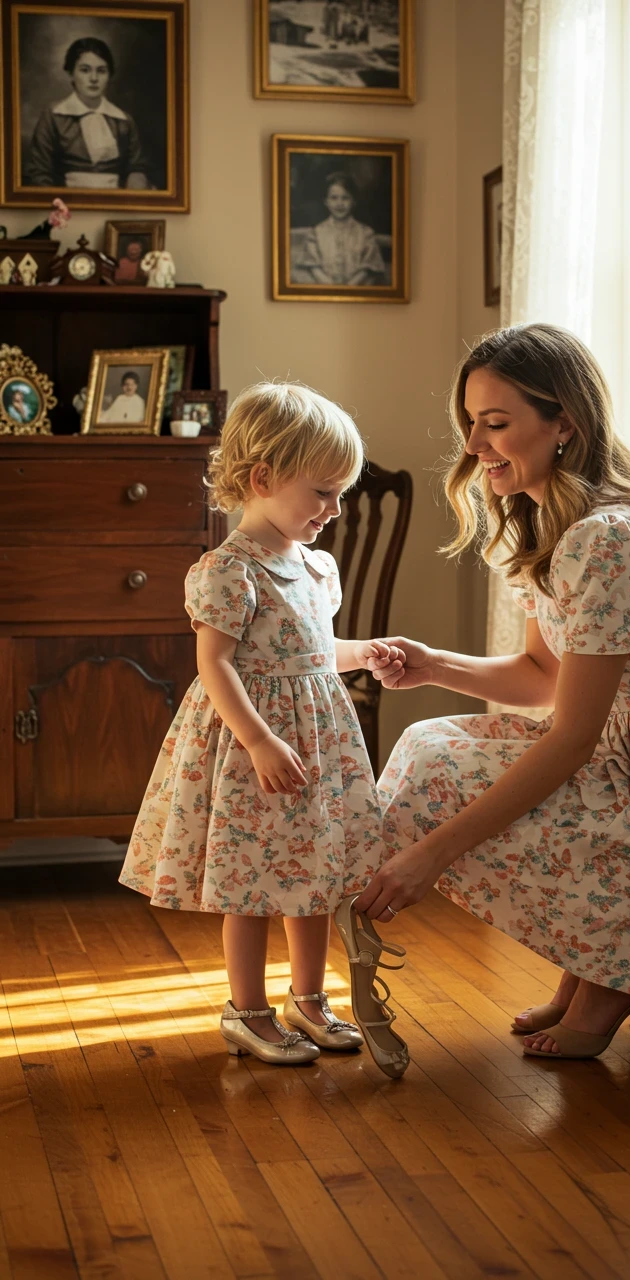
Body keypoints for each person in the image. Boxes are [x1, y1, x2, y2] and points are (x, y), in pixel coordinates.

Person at [357, 323, 630, 1061]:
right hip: (627, 743)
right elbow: (541, 676)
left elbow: (571, 735)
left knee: (444, 772)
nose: (474, 446)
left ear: (565, 422)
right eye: (470, 424)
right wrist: (434, 664)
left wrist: (430, 854)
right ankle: (594, 968)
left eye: (496, 425)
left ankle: (611, 978)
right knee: (430, 741)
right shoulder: (553, 525)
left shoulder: (606, 540)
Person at [119, 382, 406, 1065]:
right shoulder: (229, 571)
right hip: (255, 750)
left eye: (342, 494)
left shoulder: (315, 568)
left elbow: (308, 654)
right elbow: (215, 664)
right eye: (323, 493)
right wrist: (257, 739)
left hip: (313, 746)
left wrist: (361, 652)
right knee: (249, 886)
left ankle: (307, 999)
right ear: (263, 479)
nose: (335, 510)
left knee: (314, 876)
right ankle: (245, 1009)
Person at [26, 37, 149, 189]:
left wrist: (134, 196)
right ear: (71, 73)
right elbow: (39, 172)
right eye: (85, 70)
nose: (93, 78)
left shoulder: (124, 121)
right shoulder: (54, 116)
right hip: (66, 206)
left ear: (109, 75)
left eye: (101, 71)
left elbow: (136, 167)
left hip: (116, 207)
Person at [291, 170, 387, 288]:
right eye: (334, 198)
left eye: (345, 198)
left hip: (356, 290)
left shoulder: (365, 233)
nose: (339, 203)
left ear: (354, 201)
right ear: (326, 201)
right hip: (325, 289)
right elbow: (313, 266)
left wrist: (348, 288)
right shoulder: (316, 233)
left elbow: (368, 268)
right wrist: (331, 287)